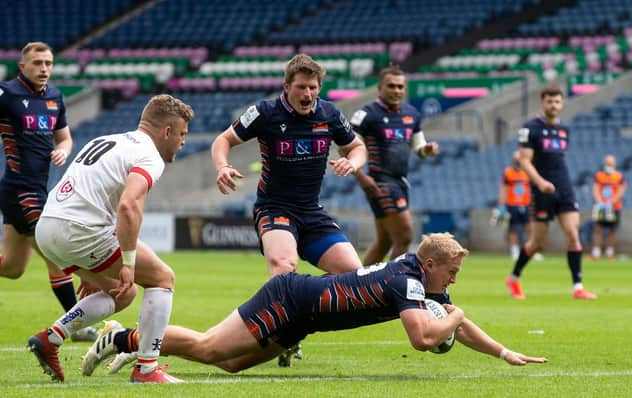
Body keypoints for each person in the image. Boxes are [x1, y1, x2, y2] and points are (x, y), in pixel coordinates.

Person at [81, 233, 548, 377]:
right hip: (290, 299)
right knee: (208, 349)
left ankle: (140, 343)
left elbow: (453, 324)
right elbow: (425, 338)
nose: (453, 281)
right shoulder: (409, 281)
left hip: (304, 317)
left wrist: (504, 352)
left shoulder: (419, 276)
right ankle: (125, 337)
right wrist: (456, 314)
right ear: (429, 264)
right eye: (451, 273)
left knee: (231, 366)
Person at [26, 94, 194, 384]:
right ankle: (146, 369)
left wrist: (93, 267)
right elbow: (129, 206)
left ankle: (51, 338)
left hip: (47, 228)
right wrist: (127, 261)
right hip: (80, 230)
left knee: (123, 293)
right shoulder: (150, 155)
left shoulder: (108, 140)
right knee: (162, 278)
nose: (183, 141)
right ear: (167, 131)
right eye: (182, 134)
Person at [211, 54, 366, 365]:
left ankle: (296, 325)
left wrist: (353, 162)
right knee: (284, 268)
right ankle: (282, 336)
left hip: (312, 213)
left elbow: (358, 146)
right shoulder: (265, 112)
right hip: (274, 209)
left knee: (355, 278)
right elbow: (223, 140)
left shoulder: (329, 114)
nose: (307, 94)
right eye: (301, 88)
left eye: (313, 88)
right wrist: (223, 167)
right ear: (286, 87)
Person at [0, 42, 96, 341]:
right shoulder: (6, 94)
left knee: (13, 268)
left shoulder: (55, 97)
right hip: (18, 189)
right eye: (38, 63)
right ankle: (75, 324)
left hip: (39, 187)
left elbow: (65, 138)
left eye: (49, 63)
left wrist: (63, 151)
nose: (44, 69)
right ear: (23, 66)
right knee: (55, 251)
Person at [505, 86, 597, 300]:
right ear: (542, 103)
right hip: (541, 190)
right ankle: (514, 277)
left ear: (562, 104)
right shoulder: (530, 128)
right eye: (549, 101)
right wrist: (540, 182)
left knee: (573, 234)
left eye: (557, 102)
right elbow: (524, 160)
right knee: (537, 244)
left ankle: (578, 287)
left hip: (564, 187)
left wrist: (556, 182)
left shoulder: (565, 129)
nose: (553, 105)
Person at [350, 65, 439, 265]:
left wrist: (428, 150)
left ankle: (356, 289)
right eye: (391, 86)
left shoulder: (412, 114)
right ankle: (393, 287)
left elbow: (419, 148)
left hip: (400, 182)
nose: (396, 90)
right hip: (380, 182)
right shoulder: (367, 115)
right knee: (405, 237)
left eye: (400, 86)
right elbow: (347, 147)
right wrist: (361, 176)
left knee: (384, 241)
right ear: (380, 88)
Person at [493, 151, 543, 261]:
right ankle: (514, 250)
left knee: (529, 228)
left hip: (526, 204)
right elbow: (503, 189)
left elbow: (532, 189)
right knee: (513, 228)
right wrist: (501, 205)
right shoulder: (508, 172)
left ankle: (531, 250)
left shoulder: (528, 172)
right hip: (512, 204)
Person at [589, 154, 627, 260]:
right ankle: (596, 252)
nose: (608, 165)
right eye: (607, 163)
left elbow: (621, 190)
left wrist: (612, 201)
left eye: (610, 163)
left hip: (614, 207)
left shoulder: (619, 176)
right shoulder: (599, 175)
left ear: (614, 164)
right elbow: (595, 189)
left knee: (613, 229)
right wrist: (600, 201)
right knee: (597, 228)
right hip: (600, 206)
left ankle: (610, 252)